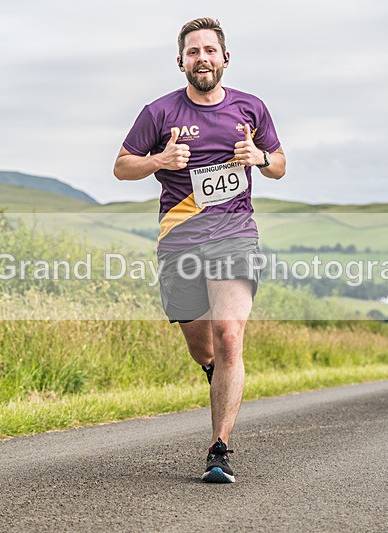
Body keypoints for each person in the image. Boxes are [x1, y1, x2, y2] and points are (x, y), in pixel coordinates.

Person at [113, 17, 286, 483]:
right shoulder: (159, 113)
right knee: (202, 346)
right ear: (181, 61)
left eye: (210, 50)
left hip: (235, 235)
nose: (202, 58)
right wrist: (159, 161)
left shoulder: (251, 108)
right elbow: (121, 167)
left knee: (230, 334)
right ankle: (215, 373)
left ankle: (219, 449)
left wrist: (261, 158)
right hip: (180, 242)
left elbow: (280, 165)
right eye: (193, 52)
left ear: (225, 58)